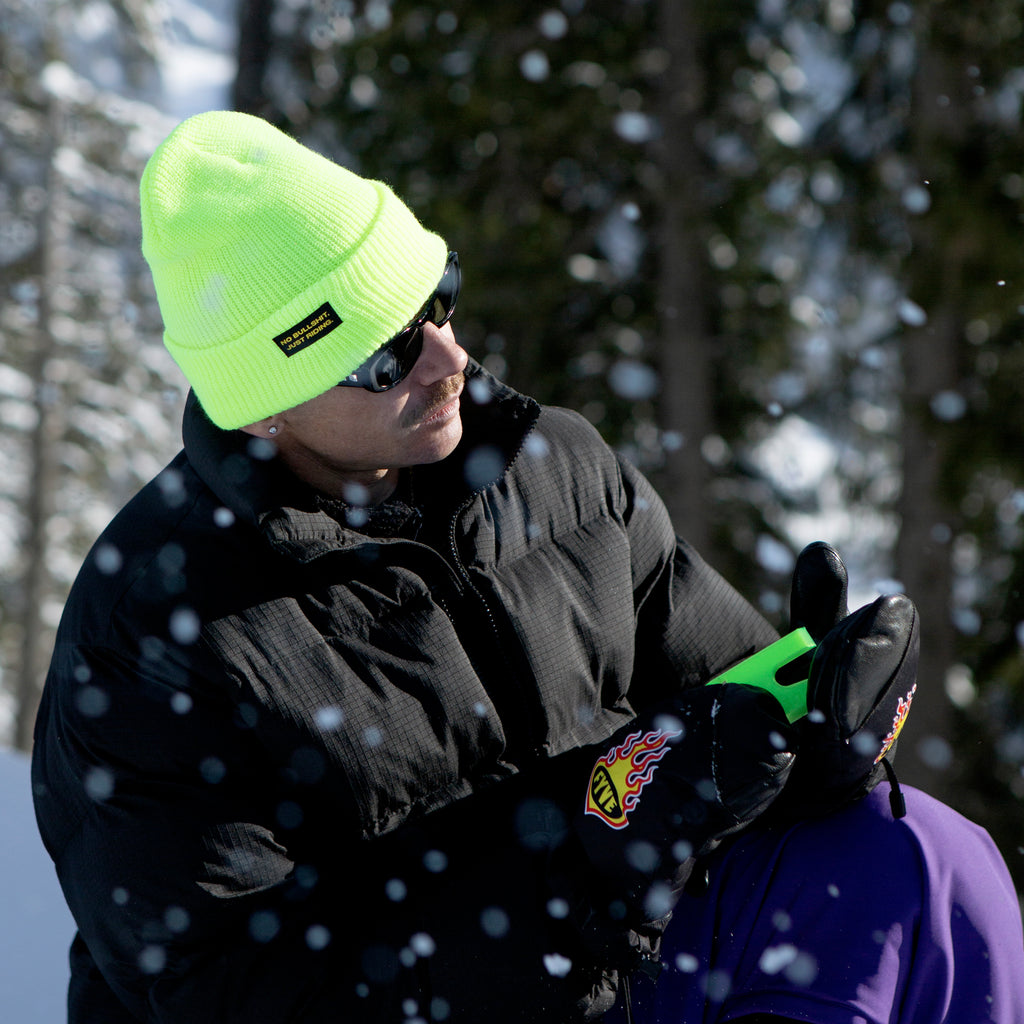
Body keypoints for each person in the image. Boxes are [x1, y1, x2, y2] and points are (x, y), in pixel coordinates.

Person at [25, 110, 999, 1024]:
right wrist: (586, 848)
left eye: (436, 300)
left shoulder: (553, 467)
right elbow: (234, 991)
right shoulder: (148, 638)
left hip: (616, 962)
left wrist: (821, 729)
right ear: (263, 399)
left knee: (918, 858)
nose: (445, 356)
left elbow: (721, 716)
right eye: (383, 352)